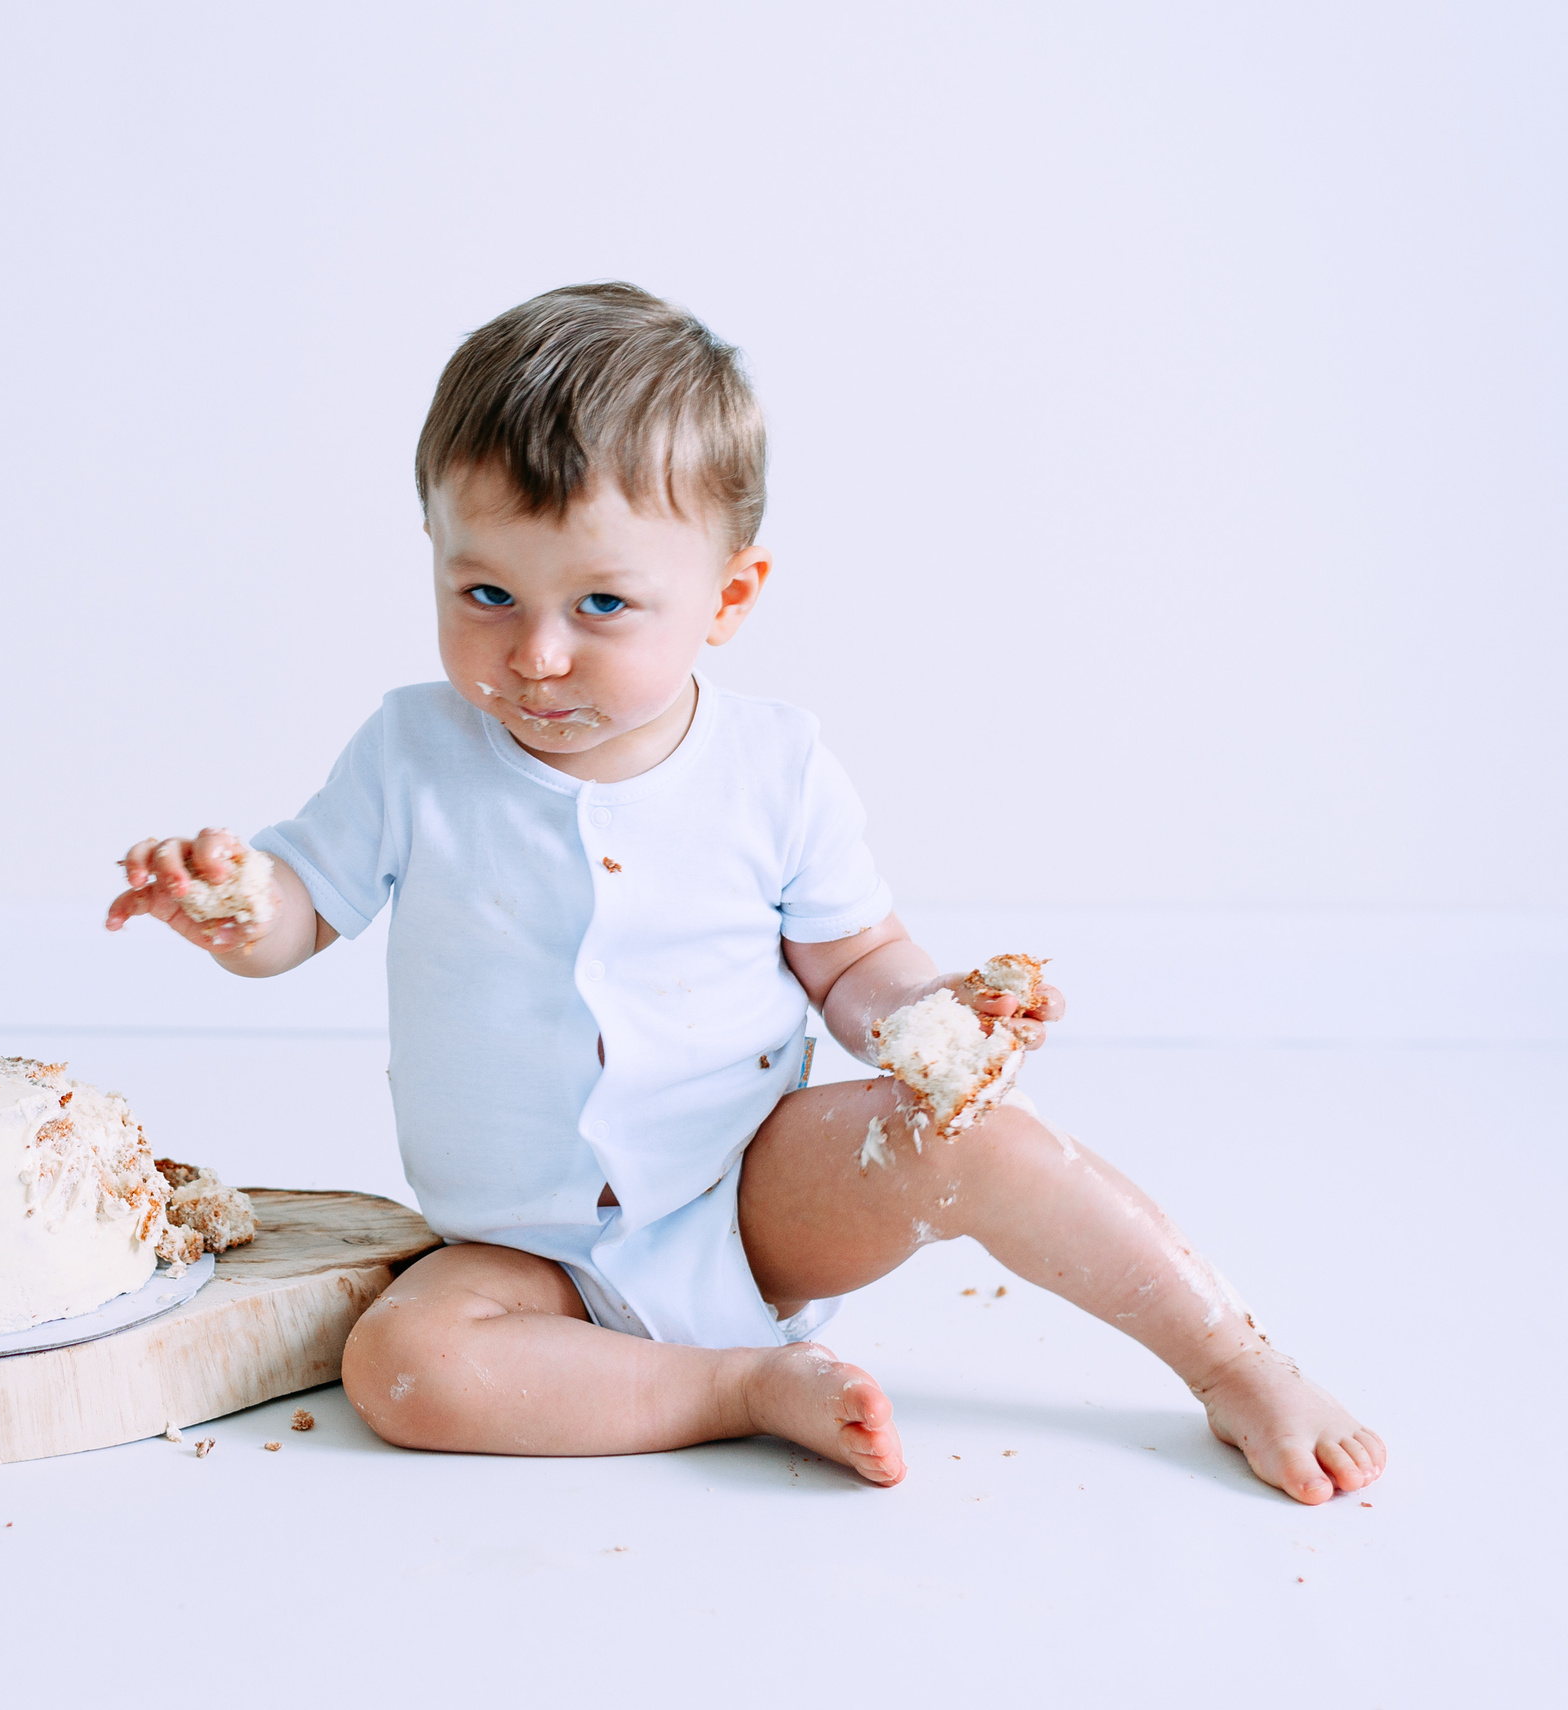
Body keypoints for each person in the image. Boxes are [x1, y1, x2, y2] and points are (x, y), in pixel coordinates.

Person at [105, 282, 1383, 1503]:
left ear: (728, 597)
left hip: (753, 1194)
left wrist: (932, 1021)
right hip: (526, 1251)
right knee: (401, 1370)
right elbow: (296, 919)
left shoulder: (772, 766)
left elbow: (852, 963)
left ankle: (1232, 1360)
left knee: (982, 1140)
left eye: (602, 603)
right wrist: (232, 905)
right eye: (484, 594)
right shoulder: (409, 751)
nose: (536, 654)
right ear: (432, 551)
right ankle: (733, 1392)